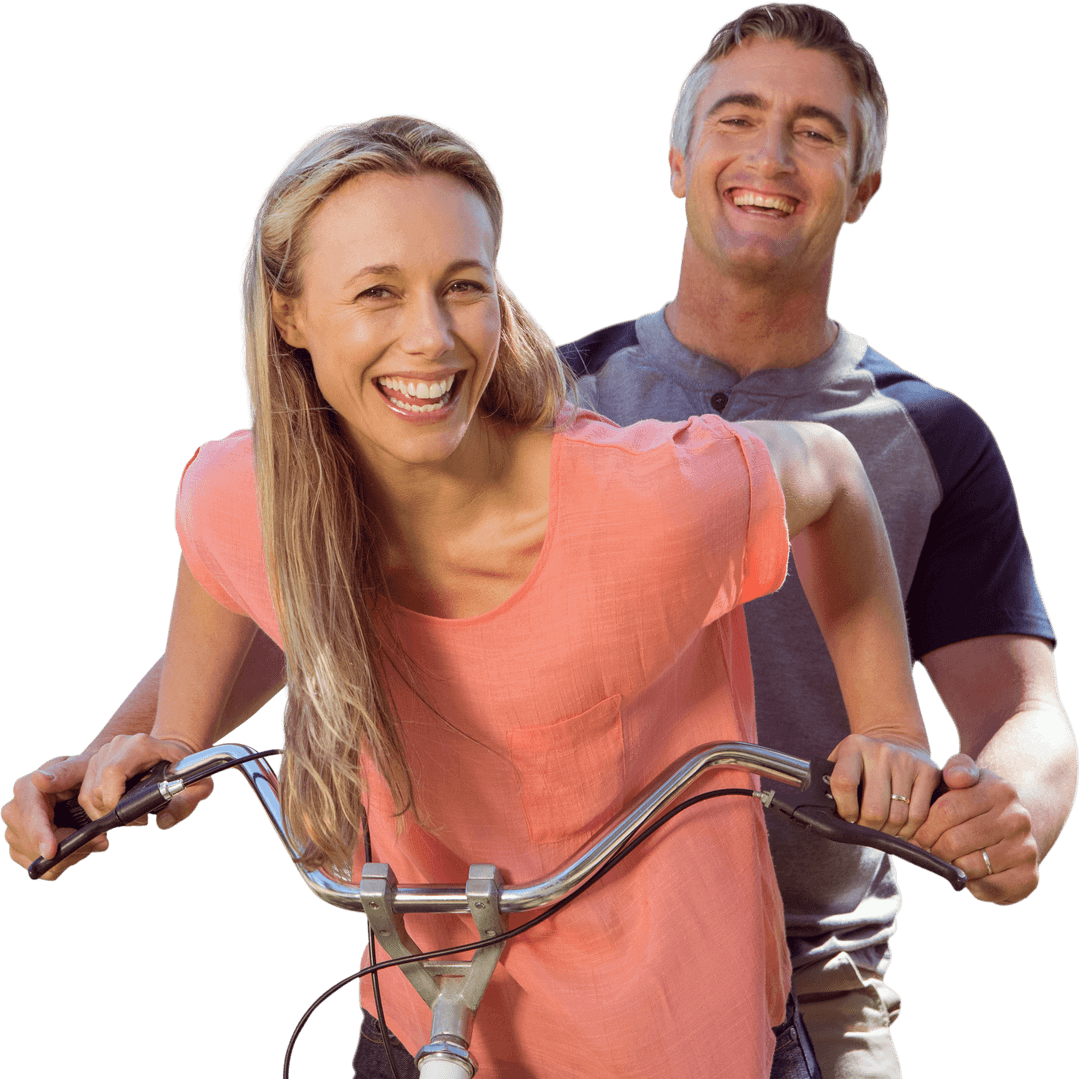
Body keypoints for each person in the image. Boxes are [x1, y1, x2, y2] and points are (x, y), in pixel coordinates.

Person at [7, 112, 941, 1079]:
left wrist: (892, 725)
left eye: (464, 287)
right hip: (425, 1019)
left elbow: (829, 472)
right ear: (290, 315)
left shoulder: (648, 506)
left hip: (678, 1037)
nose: (432, 338)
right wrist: (137, 752)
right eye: (377, 291)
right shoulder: (244, 493)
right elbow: (239, 575)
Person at [555, 5, 1076, 1078]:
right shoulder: (552, 396)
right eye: (737, 118)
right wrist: (153, 737)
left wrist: (1009, 804)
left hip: (813, 970)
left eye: (817, 131)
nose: (771, 155)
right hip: (561, 943)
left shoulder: (932, 435)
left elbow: (1023, 709)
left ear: (864, 187)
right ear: (677, 159)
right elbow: (316, 571)